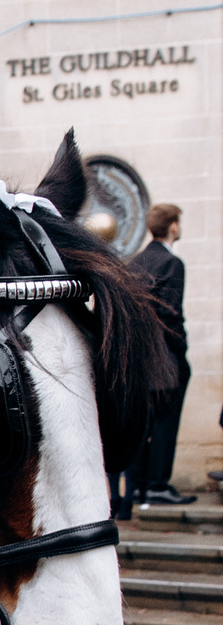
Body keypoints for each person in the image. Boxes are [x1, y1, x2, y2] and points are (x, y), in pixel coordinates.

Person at [127, 203, 192, 507]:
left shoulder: (133, 263)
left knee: (144, 424)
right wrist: (182, 350)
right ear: (173, 226)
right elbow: (170, 314)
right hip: (166, 360)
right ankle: (157, 485)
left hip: (139, 362)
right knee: (166, 423)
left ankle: (139, 488)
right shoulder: (172, 263)